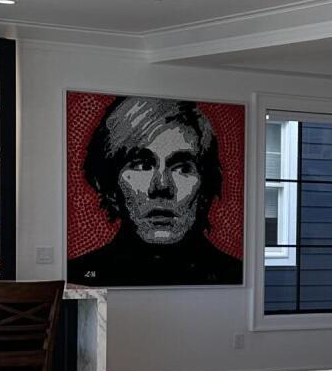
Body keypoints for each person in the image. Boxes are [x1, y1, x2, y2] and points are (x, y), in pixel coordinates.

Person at [69, 96, 242, 285]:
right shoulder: (80, 278)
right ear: (110, 185)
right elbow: (95, 315)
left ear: (205, 186)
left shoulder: (233, 275)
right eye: (142, 165)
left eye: (182, 168)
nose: (161, 186)